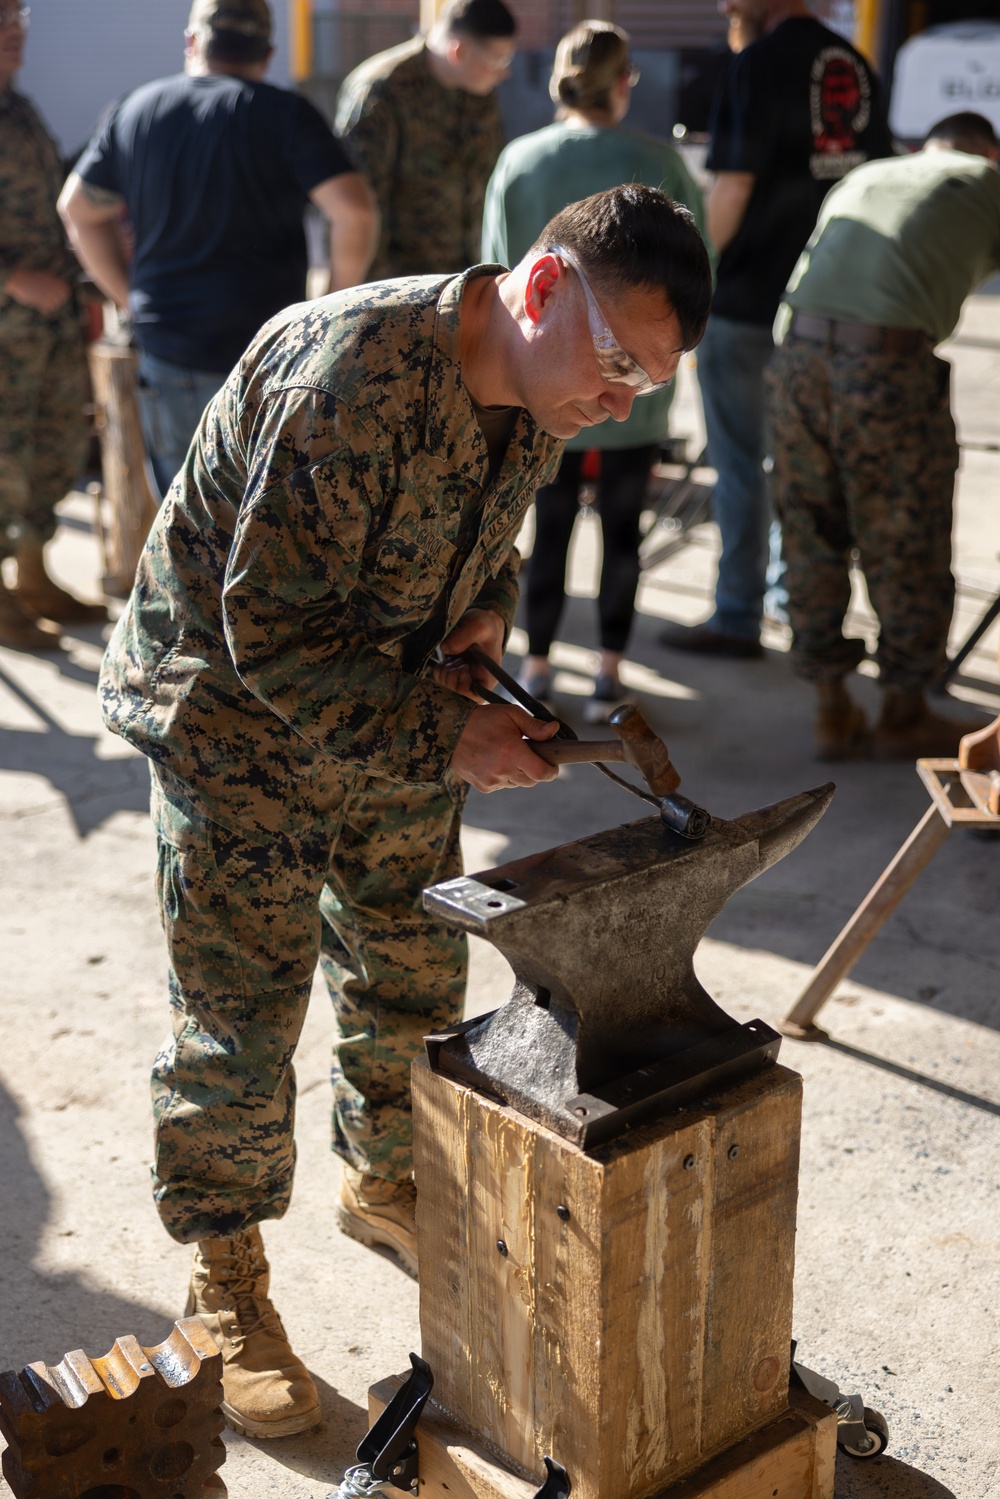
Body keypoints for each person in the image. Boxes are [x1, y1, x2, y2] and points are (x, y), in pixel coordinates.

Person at [97, 184, 711, 1438]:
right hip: (230, 715)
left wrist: (481, 611)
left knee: (410, 957)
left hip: (387, 685)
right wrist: (451, 732)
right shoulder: (349, 376)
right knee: (241, 1007)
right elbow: (261, 631)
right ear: (539, 288)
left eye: (643, 388)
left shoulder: (539, 389)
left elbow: (486, 532)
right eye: (611, 365)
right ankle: (224, 1279)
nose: (613, 403)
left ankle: (383, 1176)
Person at [482, 20, 709, 722]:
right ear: (623, 83)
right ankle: (610, 671)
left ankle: (538, 664)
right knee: (622, 536)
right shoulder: (658, 163)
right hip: (630, 398)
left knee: (543, 532)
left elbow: (496, 276)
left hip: (542, 394)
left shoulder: (519, 159)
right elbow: (692, 284)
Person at [58, 0, 377, 499]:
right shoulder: (286, 114)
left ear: (191, 42)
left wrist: (128, 297)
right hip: (266, 359)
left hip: (168, 353)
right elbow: (354, 213)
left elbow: (77, 210)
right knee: (265, 527)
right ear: (268, 52)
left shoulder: (135, 109)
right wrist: (327, 314)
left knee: (186, 528)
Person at [658, 0, 891, 659]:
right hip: (831, 303)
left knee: (739, 465)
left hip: (749, 300)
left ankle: (737, 616)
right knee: (808, 465)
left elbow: (731, 189)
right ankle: (802, 610)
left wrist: (691, 270)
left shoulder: (756, 63)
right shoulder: (853, 63)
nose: (726, 8)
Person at [766, 112, 1000, 760]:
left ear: (924, 146)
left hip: (794, 363)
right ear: (988, 152)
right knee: (907, 537)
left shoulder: (872, 173)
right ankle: (904, 709)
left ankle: (831, 709)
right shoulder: (985, 180)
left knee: (809, 531)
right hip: (885, 372)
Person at [0, 2, 106, 650]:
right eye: (0, 19)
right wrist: (10, 277)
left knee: (50, 450)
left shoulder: (20, 110)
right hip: (8, 325)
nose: (15, 30)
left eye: (19, 17)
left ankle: (33, 574)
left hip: (49, 326)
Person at [335, 0, 515, 281]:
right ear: (459, 52)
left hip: (466, 281)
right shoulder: (381, 91)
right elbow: (361, 202)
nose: (506, 73)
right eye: (498, 60)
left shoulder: (479, 90)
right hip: (400, 291)